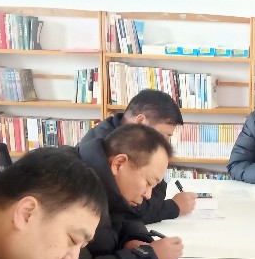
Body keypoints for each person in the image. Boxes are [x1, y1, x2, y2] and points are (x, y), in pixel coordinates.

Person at [63, 123, 184, 259]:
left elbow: (123, 213)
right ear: (119, 164)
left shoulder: (102, 175)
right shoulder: (70, 188)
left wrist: (134, 239)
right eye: (148, 183)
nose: (148, 195)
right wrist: (150, 258)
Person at [77, 89, 196, 223]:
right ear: (140, 122)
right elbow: (129, 212)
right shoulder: (101, 152)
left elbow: (157, 190)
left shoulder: (122, 134)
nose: (165, 144)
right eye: (163, 136)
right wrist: (173, 207)